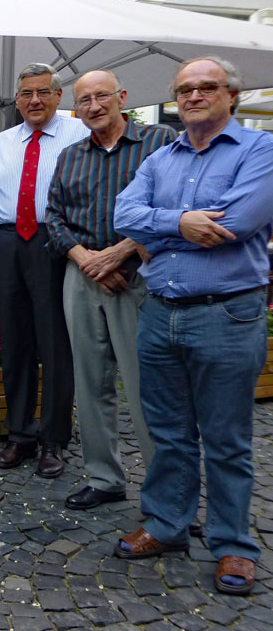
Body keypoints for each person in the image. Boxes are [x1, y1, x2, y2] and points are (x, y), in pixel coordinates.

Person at [113, 56, 272, 596]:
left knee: (227, 438)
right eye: (185, 89)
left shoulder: (260, 150)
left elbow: (238, 222)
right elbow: (124, 216)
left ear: (232, 94)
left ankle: (233, 545)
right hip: (161, 312)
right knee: (168, 433)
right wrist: (181, 222)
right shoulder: (161, 158)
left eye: (207, 87)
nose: (194, 96)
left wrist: (156, 230)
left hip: (226, 313)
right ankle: (166, 524)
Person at [45, 71, 175, 510]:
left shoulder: (158, 141)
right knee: (90, 382)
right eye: (84, 100)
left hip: (139, 276)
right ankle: (104, 478)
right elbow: (54, 217)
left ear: (122, 97)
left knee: (147, 386)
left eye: (102, 96)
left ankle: (166, 496)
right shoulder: (70, 155)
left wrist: (120, 254)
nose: (94, 106)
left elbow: (171, 205)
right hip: (81, 276)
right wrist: (88, 261)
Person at [0, 63, 88, 479]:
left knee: (55, 344)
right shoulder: (0, 143)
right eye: (26, 94)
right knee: (15, 341)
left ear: (58, 95)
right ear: (16, 100)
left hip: (55, 243)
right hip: (7, 244)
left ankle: (54, 439)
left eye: (43, 92)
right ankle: (20, 433)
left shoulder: (79, 134)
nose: (34, 100)